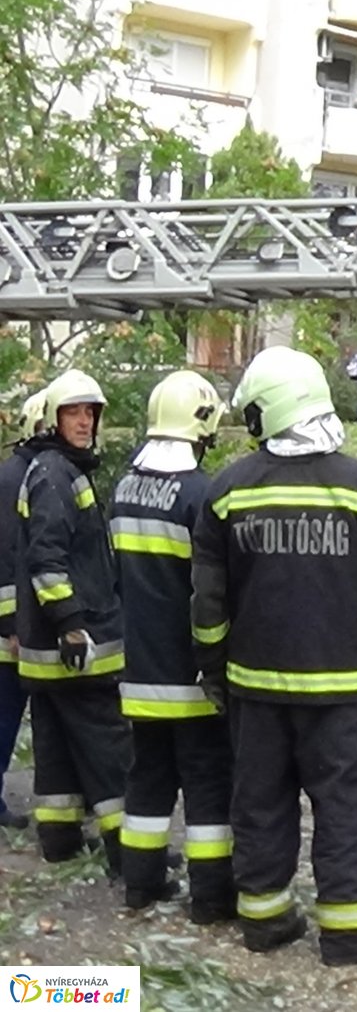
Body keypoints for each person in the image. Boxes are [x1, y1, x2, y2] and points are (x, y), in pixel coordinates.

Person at [192, 346, 357, 965]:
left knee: (259, 801)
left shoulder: (227, 490)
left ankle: (264, 920)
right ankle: (349, 932)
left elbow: (208, 603)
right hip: (338, 690)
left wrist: (212, 670)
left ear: (271, 410)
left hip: (254, 689)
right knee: (344, 806)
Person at [112, 370, 235, 919]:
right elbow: (212, 591)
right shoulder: (200, 495)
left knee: (148, 779)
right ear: (201, 423)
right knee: (207, 784)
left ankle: (140, 883)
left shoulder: (121, 487)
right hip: (189, 676)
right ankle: (210, 897)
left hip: (135, 671)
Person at [14, 370, 130, 871]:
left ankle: (60, 841)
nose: (84, 422)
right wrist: (72, 625)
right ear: (53, 419)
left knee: (56, 746)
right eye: (73, 413)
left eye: (90, 413)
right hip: (74, 648)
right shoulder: (58, 475)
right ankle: (133, 854)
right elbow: (47, 560)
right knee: (109, 746)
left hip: (46, 653)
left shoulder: (52, 469)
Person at [0, 388, 48, 831]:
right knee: (5, 711)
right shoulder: (19, 478)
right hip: (12, 630)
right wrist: (13, 625)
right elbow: (9, 556)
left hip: (21, 624)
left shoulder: (20, 472)